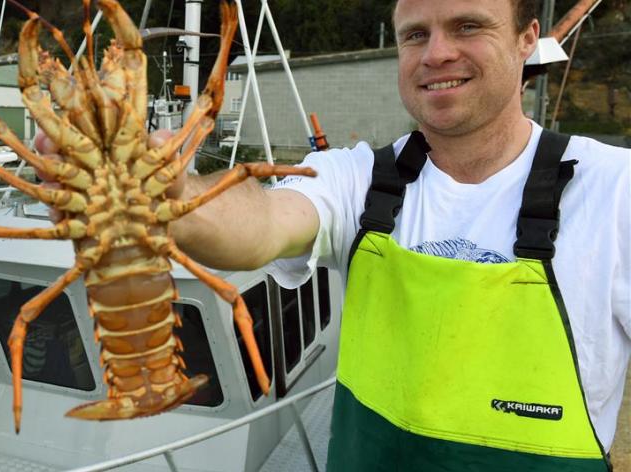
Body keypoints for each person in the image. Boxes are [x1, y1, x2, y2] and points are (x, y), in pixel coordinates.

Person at [39, 0, 628, 469]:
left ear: (528, 38)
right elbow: (262, 225)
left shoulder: (615, 190)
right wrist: (175, 191)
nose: (436, 53)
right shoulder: (360, 178)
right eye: (414, 35)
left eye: (468, 26)